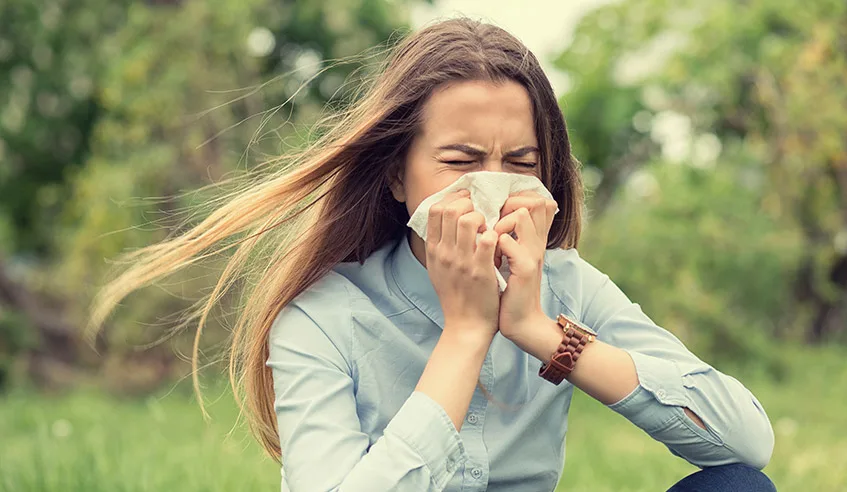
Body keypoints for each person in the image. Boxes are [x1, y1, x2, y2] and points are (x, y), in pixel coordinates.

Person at [89, 17, 776, 492]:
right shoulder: (324, 319)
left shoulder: (563, 287)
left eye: (521, 161)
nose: (492, 183)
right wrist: (466, 334)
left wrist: (538, 330)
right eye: (461, 160)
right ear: (397, 174)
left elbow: (744, 443)